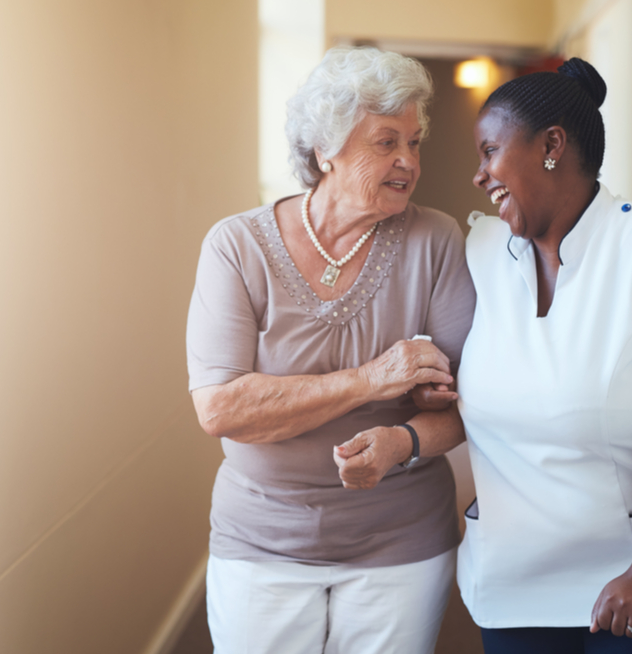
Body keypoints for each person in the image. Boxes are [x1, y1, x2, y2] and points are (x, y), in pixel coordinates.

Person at [185, 46, 476, 654]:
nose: (407, 161)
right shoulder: (237, 248)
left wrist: (402, 441)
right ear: (324, 149)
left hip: (399, 542)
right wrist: (373, 380)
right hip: (260, 542)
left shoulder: (437, 240)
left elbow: (468, 403)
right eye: (385, 142)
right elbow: (221, 410)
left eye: (415, 142)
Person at [456, 58, 632, 653]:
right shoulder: (482, 251)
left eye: (490, 152)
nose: (480, 175)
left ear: (551, 145)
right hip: (514, 587)